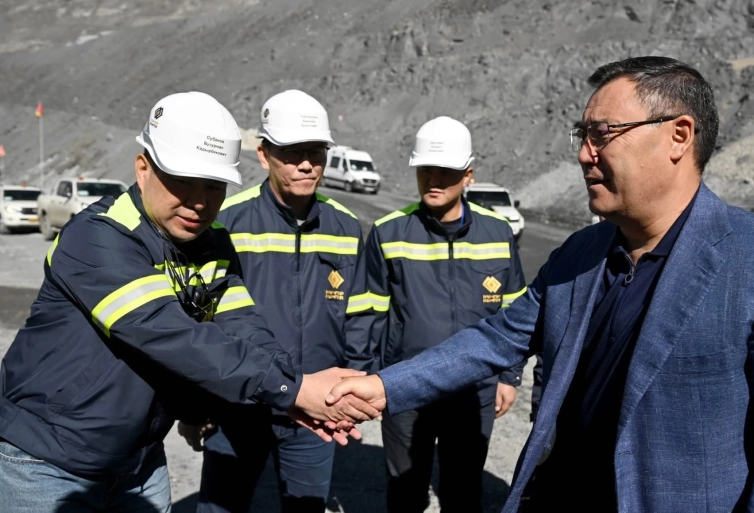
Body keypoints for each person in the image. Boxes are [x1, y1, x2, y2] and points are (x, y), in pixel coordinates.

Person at [328, 57, 754, 512]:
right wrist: (382, 387)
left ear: (679, 135)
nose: (584, 154)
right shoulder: (579, 254)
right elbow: (494, 339)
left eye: (602, 134)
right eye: (583, 136)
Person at [0, 91, 378, 513]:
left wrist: (294, 389)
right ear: (143, 168)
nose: (199, 201)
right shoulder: (97, 238)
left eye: (214, 185)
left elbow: (244, 326)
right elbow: (172, 336)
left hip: (139, 463)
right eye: (183, 180)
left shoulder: (211, 242)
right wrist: (293, 389)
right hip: (46, 463)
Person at [181, 90, 373, 513]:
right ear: (264, 154)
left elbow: (359, 315)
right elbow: (199, 321)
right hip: (237, 405)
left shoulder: (345, 226)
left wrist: (354, 388)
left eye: (316, 152)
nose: (306, 164)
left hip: (317, 405)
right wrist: (194, 406)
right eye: (292, 153)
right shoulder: (227, 221)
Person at [364, 116, 527, 512]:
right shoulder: (389, 232)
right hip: (405, 386)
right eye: (425, 170)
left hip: (473, 388)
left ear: (468, 174)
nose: (433, 180)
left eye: (446, 172)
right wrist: (370, 378)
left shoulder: (498, 233)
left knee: (463, 493)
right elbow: (368, 314)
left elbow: (515, 312)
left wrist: (509, 377)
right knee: (405, 493)